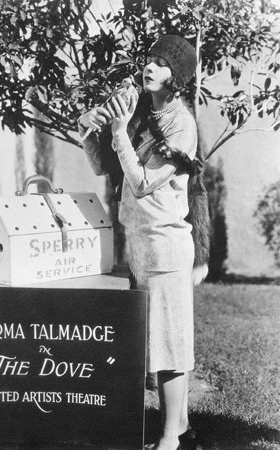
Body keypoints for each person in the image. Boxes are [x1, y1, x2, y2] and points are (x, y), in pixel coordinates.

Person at [78, 35, 209, 450]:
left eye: (162, 63)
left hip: (166, 245)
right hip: (139, 242)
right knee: (156, 342)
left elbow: (142, 182)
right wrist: (91, 128)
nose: (149, 67)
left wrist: (119, 131)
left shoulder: (181, 125)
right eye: (149, 59)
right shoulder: (138, 111)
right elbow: (105, 166)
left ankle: (171, 437)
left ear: (179, 78)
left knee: (170, 344)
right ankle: (181, 426)